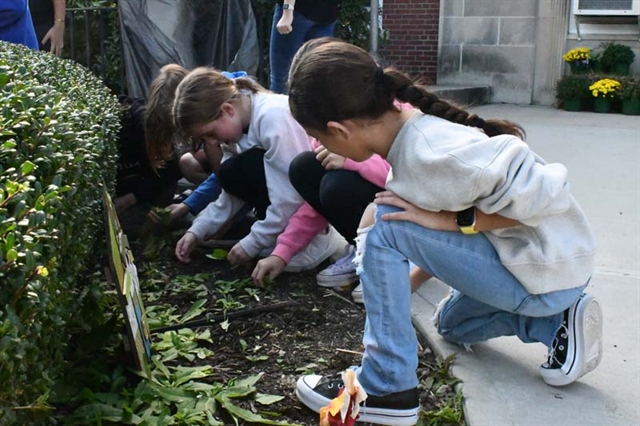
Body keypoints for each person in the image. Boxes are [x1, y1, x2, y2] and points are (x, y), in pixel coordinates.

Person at [287, 38, 602, 425]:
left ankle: (387, 386)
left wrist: (454, 222)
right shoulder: (407, 142)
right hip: (539, 274)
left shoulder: (433, 150)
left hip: (544, 274)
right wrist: (404, 282)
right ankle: (556, 321)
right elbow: (440, 232)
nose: (317, 145)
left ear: (339, 128)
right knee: (450, 324)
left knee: (383, 220)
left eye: (318, 135)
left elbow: (548, 195)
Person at [172, 67, 338, 272]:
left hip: (320, 200)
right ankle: (281, 236)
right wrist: (197, 230)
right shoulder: (237, 130)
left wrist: (253, 241)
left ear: (227, 110)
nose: (211, 143)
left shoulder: (272, 117)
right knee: (230, 172)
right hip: (294, 198)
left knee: (248, 166)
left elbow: (290, 195)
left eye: (210, 134)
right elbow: (230, 194)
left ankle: (316, 240)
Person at [251, 140, 389, 297]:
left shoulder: (380, 122)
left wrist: (353, 161)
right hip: (372, 209)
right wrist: (282, 252)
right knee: (304, 166)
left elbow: (403, 178)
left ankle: (386, 259)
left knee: (337, 185)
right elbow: (314, 208)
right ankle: (362, 249)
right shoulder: (324, 138)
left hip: (403, 214)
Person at [269, 0, 340, 94]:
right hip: (320, 14)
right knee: (316, 80)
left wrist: (287, 11)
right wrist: (288, 11)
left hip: (305, 13)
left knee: (282, 80)